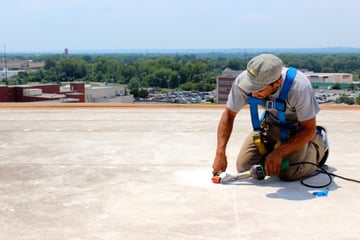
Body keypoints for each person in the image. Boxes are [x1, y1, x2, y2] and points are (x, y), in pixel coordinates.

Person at [212, 53, 328, 181]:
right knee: (245, 167)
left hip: (298, 130)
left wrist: (279, 153)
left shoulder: (299, 87)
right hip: (270, 124)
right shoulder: (242, 81)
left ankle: (318, 146)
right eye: (251, 88)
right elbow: (228, 115)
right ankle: (274, 152)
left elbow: (308, 129)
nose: (254, 94)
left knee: (289, 173)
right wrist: (220, 153)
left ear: (277, 83)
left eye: (260, 90)